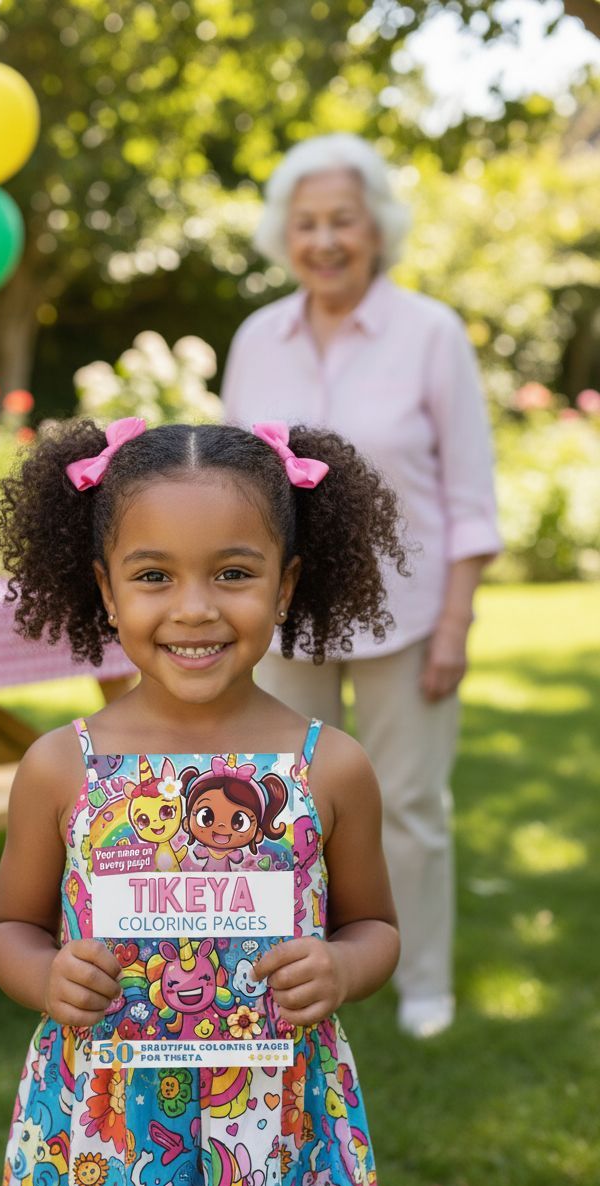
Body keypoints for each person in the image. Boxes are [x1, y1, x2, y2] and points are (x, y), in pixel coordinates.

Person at [0, 417, 404, 1186]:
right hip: (106, 1128)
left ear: (285, 585)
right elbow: (8, 926)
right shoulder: (60, 766)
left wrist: (343, 966)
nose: (195, 608)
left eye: (234, 573)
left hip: (277, 1123)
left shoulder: (331, 767)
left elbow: (375, 925)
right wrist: (45, 977)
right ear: (107, 590)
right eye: (153, 576)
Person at [221, 133, 502, 1039]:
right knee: (278, 803)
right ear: (284, 234)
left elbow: (470, 498)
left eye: (342, 219)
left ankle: (421, 980)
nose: (325, 240)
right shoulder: (258, 338)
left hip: (410, 617)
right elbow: (230, 488)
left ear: (377, 226)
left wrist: (455, 625)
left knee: (408, 805)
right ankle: (280, 974)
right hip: (287, 616)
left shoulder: (431, 334)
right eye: (306, 223)